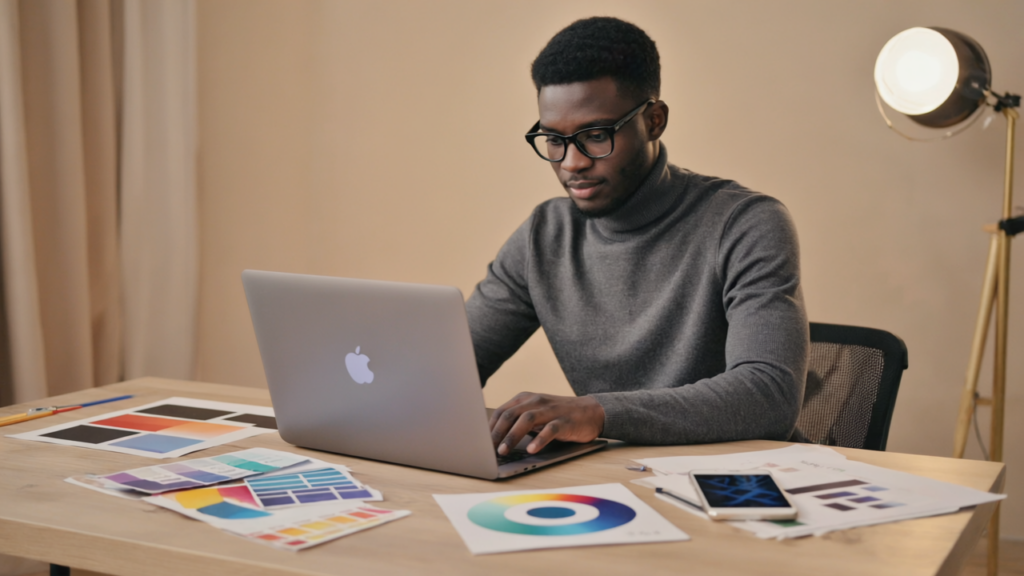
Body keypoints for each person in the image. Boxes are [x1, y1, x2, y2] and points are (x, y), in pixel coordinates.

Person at [465, 17, 808, 458]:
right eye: (554, 139)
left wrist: (598, 413)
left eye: (594, 135)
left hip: (742, 485)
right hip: (620, 480)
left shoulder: (745, 223)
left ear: (653, 121)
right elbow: (453, 371)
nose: (571, 163)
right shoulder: (544, 236)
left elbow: (768, 395)